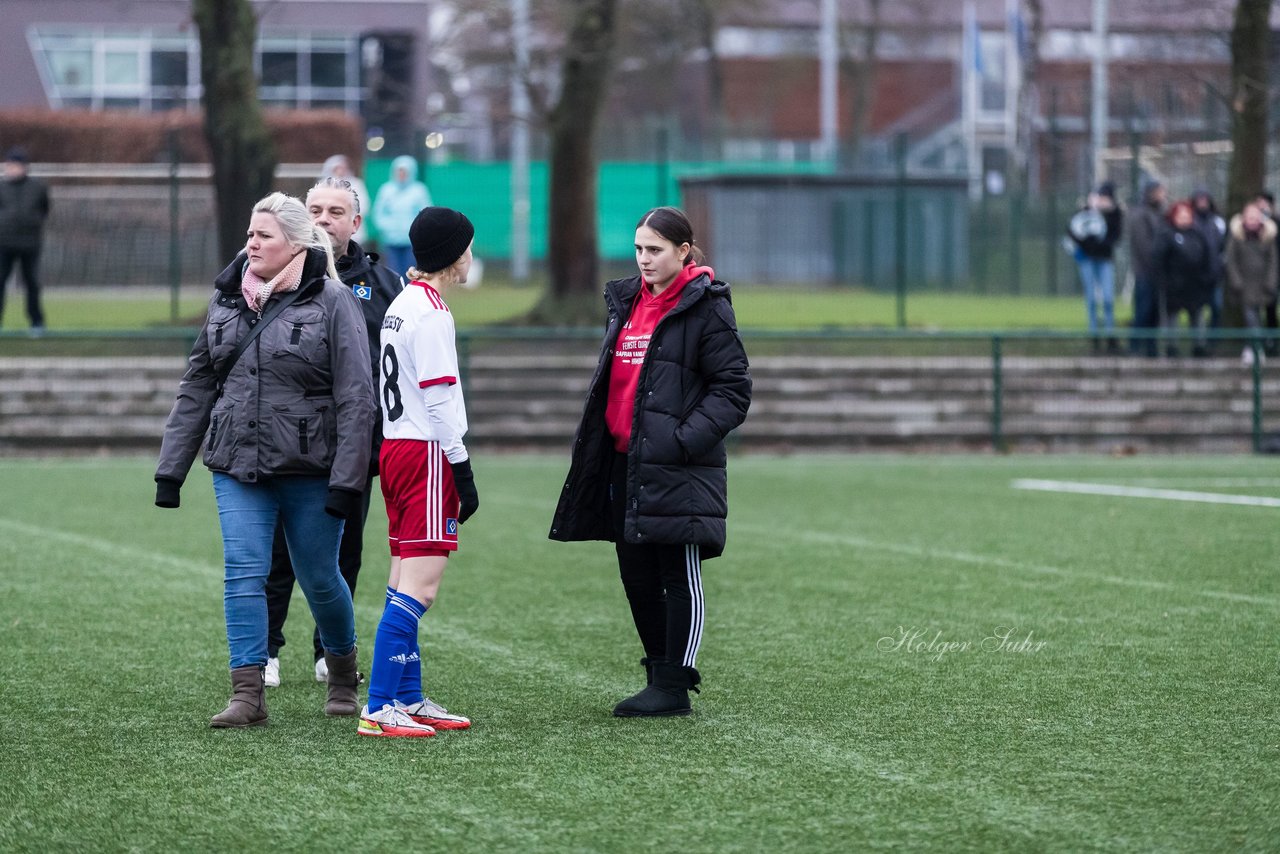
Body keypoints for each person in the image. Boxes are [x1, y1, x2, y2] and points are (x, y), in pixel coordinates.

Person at [155, 192, 375, 728]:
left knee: (321, 576)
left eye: (264, 236)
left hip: (311, 467)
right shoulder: (227, 299)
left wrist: (348, 479)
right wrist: (171, 468)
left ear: (296, 244)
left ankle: (342, 671)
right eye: (249, 235)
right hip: (237, 463)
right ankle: (247, 694)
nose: (251, 244)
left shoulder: (333, 300)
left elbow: (356, 395)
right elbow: (198, 384)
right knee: (243, 573)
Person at [549, 206, 752, 718]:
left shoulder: (706, 308)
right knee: (636, 574)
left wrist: (682, 441)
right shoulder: (626, 304)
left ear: (684, 252)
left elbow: (733, 390)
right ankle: (657, 678)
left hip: (678, 466)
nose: (644, 259)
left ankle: (675, 685)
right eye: (639, 248)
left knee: (677, 572)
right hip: (625, 464)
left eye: (655, 250)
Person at [262, 176, 404, 688]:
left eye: (335, 212)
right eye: (314, 210)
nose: (323, 219)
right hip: (287, 441)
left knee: (345, 550)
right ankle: (266, 650)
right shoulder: (273, 278)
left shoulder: (387, 286)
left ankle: (329, 650)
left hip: (352, 446)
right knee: (276, 550)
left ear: (355, 223)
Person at [358, 206, 479, 738]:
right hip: (425, 452)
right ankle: (380, 705)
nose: (472, 255)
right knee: (421, 589)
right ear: (453, 254)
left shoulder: (404, 302)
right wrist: (461, 464)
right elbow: (437, 397)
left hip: (398, 451)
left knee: (402, 577)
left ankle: (407, 696)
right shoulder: (431, 312)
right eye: (468, 246)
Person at [1067, 181, 1124, 353]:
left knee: (1107, 298)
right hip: (1087, 260)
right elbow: (1074, 230)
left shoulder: (1115, 213)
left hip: (1104, 260)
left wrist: (1100, 243)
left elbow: (1114, 236)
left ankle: (1110, 334)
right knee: (1091, 299)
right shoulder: (1086, 210)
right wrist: (1089, 209)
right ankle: (1094, 336)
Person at [1156, 200, 1215, 358]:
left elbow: (1206, 257)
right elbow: (1160, 261)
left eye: (1186, 215)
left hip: (1195, 285)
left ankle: (1199, 347)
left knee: (1197, 316)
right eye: (1180, 215)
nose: (1184, 218)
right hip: (1174, 286)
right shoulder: (1166, 235)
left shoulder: (1197, 234)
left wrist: (1205, 278)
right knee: (1172, 318)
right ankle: (1171, 347)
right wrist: (1166, 282)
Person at [0, 147, 50, 333]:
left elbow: (45, 209)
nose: (11, 169)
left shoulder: (37, 187)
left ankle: (36, 323)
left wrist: (34, 223)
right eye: (9, 165)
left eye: (15, 165)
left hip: (30, 243)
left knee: (32, 284)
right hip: (3, 243)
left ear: (24, 167)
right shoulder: (1, 187)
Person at [1224, 200, 1278, 365]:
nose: (1252, 221)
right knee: (1250, 318)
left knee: (1258, 318)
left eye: (1255, 217)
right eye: (1250, 217)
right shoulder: (1237, 237)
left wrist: (1270, 282)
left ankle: (1254, 348)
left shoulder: (1267, 238)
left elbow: (1273, 262)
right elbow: (1231, 260)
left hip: (1262, 286)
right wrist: (1236, 281)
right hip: (1244, 286)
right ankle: (1254, 348)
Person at [372, 155, 431, 277]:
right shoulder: (386, 189)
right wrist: (388, 227)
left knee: (412, 272)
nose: (401, 174)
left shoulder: (419, 190)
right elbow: (378, 213)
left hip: (412, 241)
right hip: (390, 240)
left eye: (404, 171)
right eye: (399, 171)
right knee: (392, 273)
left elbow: (425, 214)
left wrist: (414, 230)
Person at [1127, 179, 1167, 358]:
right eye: (1159, 192)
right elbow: (1144, 247)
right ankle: (1135, 346)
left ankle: (1151, 347)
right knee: (1143, 310)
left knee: (1154, 313)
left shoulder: (1158, 214)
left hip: (1156, 273)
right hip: (1145, 272)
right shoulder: (1140, 215)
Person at [1191, 188, 1228, 334]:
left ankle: (1214, 339)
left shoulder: (1217, 221)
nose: (1202, 203)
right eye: (1199, 200)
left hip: (1215, 274)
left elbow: (1223, 246)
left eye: (1204, 200)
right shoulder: (1191, 220)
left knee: (1216, 307)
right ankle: (1200, 343)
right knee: (1197, 310)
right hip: (1196, 275)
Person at [319, 155, 372, 246]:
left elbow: (364, 205)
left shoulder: (356, 184)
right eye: (337, 168)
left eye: (342, 168)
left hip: (353, 229)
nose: (340, 171)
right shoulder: (323, 186)